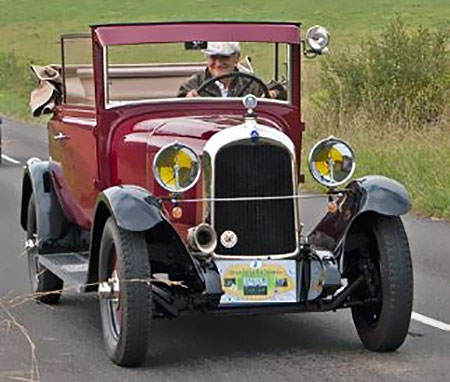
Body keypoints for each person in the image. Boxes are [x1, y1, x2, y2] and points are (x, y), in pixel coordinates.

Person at [177, 42, 283, 99]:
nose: (218, 64)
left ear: (236, 58)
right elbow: (178, 112)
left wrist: (274, 93)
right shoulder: (193, 84)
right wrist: (189, 100)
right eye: (213, 57)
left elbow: (276, 90)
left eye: (224, 57)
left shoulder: (250, 83)